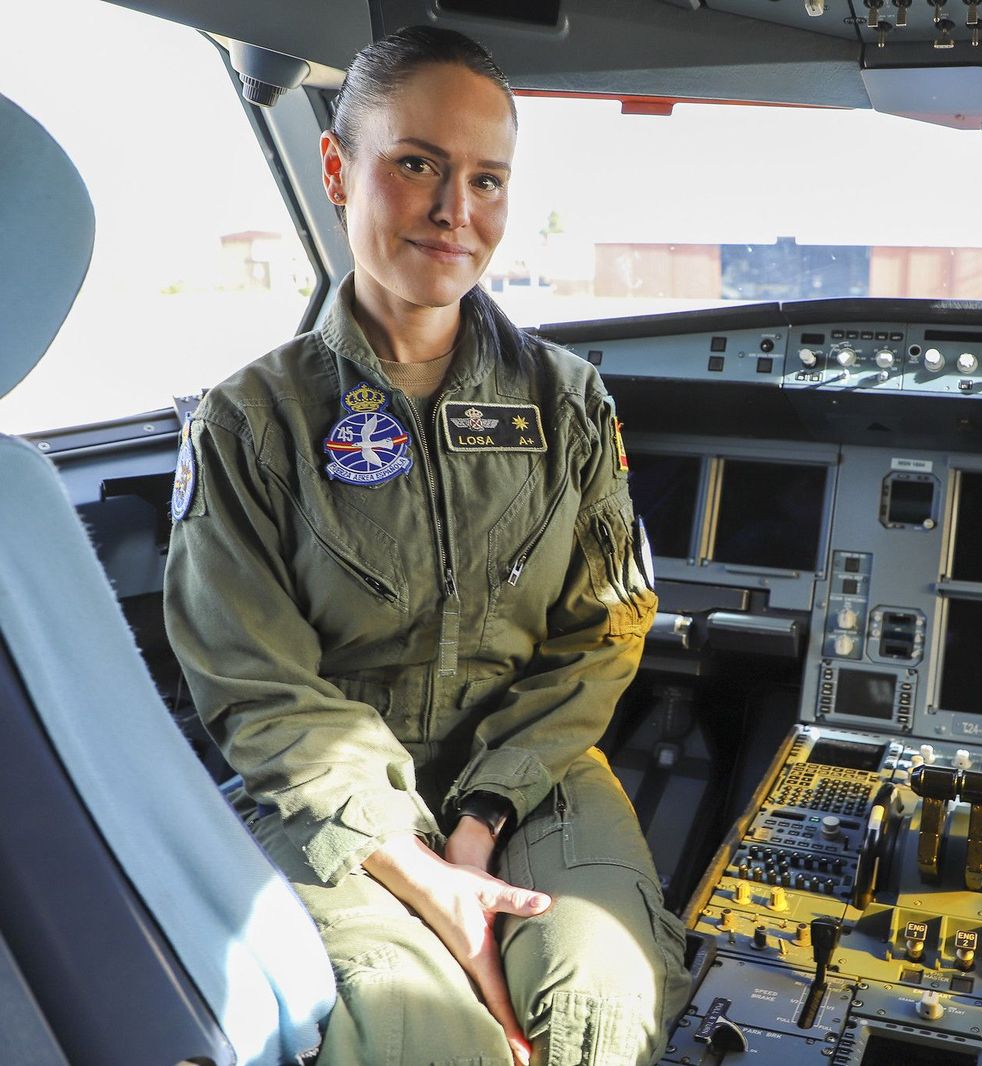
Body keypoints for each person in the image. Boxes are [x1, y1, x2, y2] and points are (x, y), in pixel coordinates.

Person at [163, 25, 689, 1066]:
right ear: (336, 167)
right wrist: (417, 866)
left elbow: (602, 632)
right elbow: (260, 688)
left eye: (487, 179)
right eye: (418, 165)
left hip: (533, 768)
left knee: (601, 999)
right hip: (332, 796)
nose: (458, 212)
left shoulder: (568, 403)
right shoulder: (249, 424)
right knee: (422, 1036)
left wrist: (483, 819)